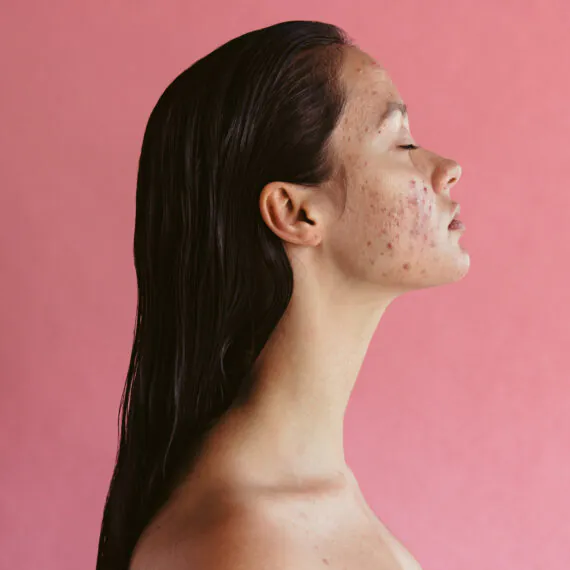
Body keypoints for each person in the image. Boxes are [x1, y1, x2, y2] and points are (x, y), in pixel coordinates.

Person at [96, 20, 468, 570]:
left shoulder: (311, 498)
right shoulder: (240, 544)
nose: (448, 170)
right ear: (295, 212)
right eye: (401, 142)